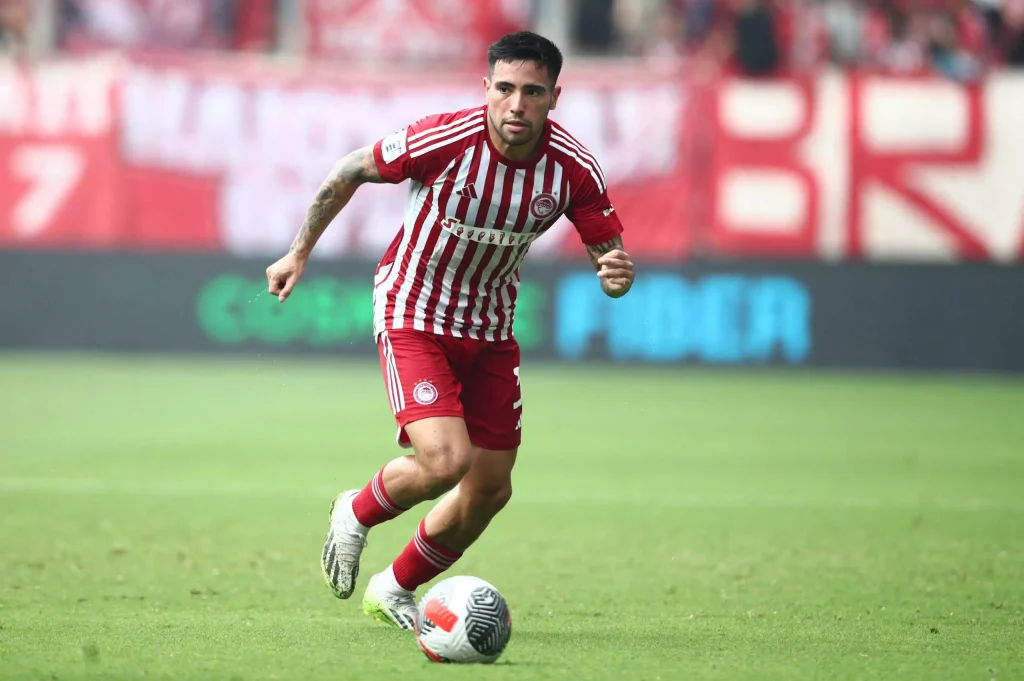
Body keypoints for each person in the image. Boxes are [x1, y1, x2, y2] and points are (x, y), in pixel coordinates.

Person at [265, 30, 635, 630]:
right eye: (505, 88)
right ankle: (355, 512)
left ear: (554, 97)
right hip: (413, 311)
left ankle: (393, 588)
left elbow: (609, 259)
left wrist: (615, 278)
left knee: (490, 489)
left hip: (491, 329)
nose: (517, 105)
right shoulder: (444, 139)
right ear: (485, 88)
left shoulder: (573, 169)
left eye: (533, 92)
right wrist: (298, 251)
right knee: (444, 462)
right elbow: (351, 169)